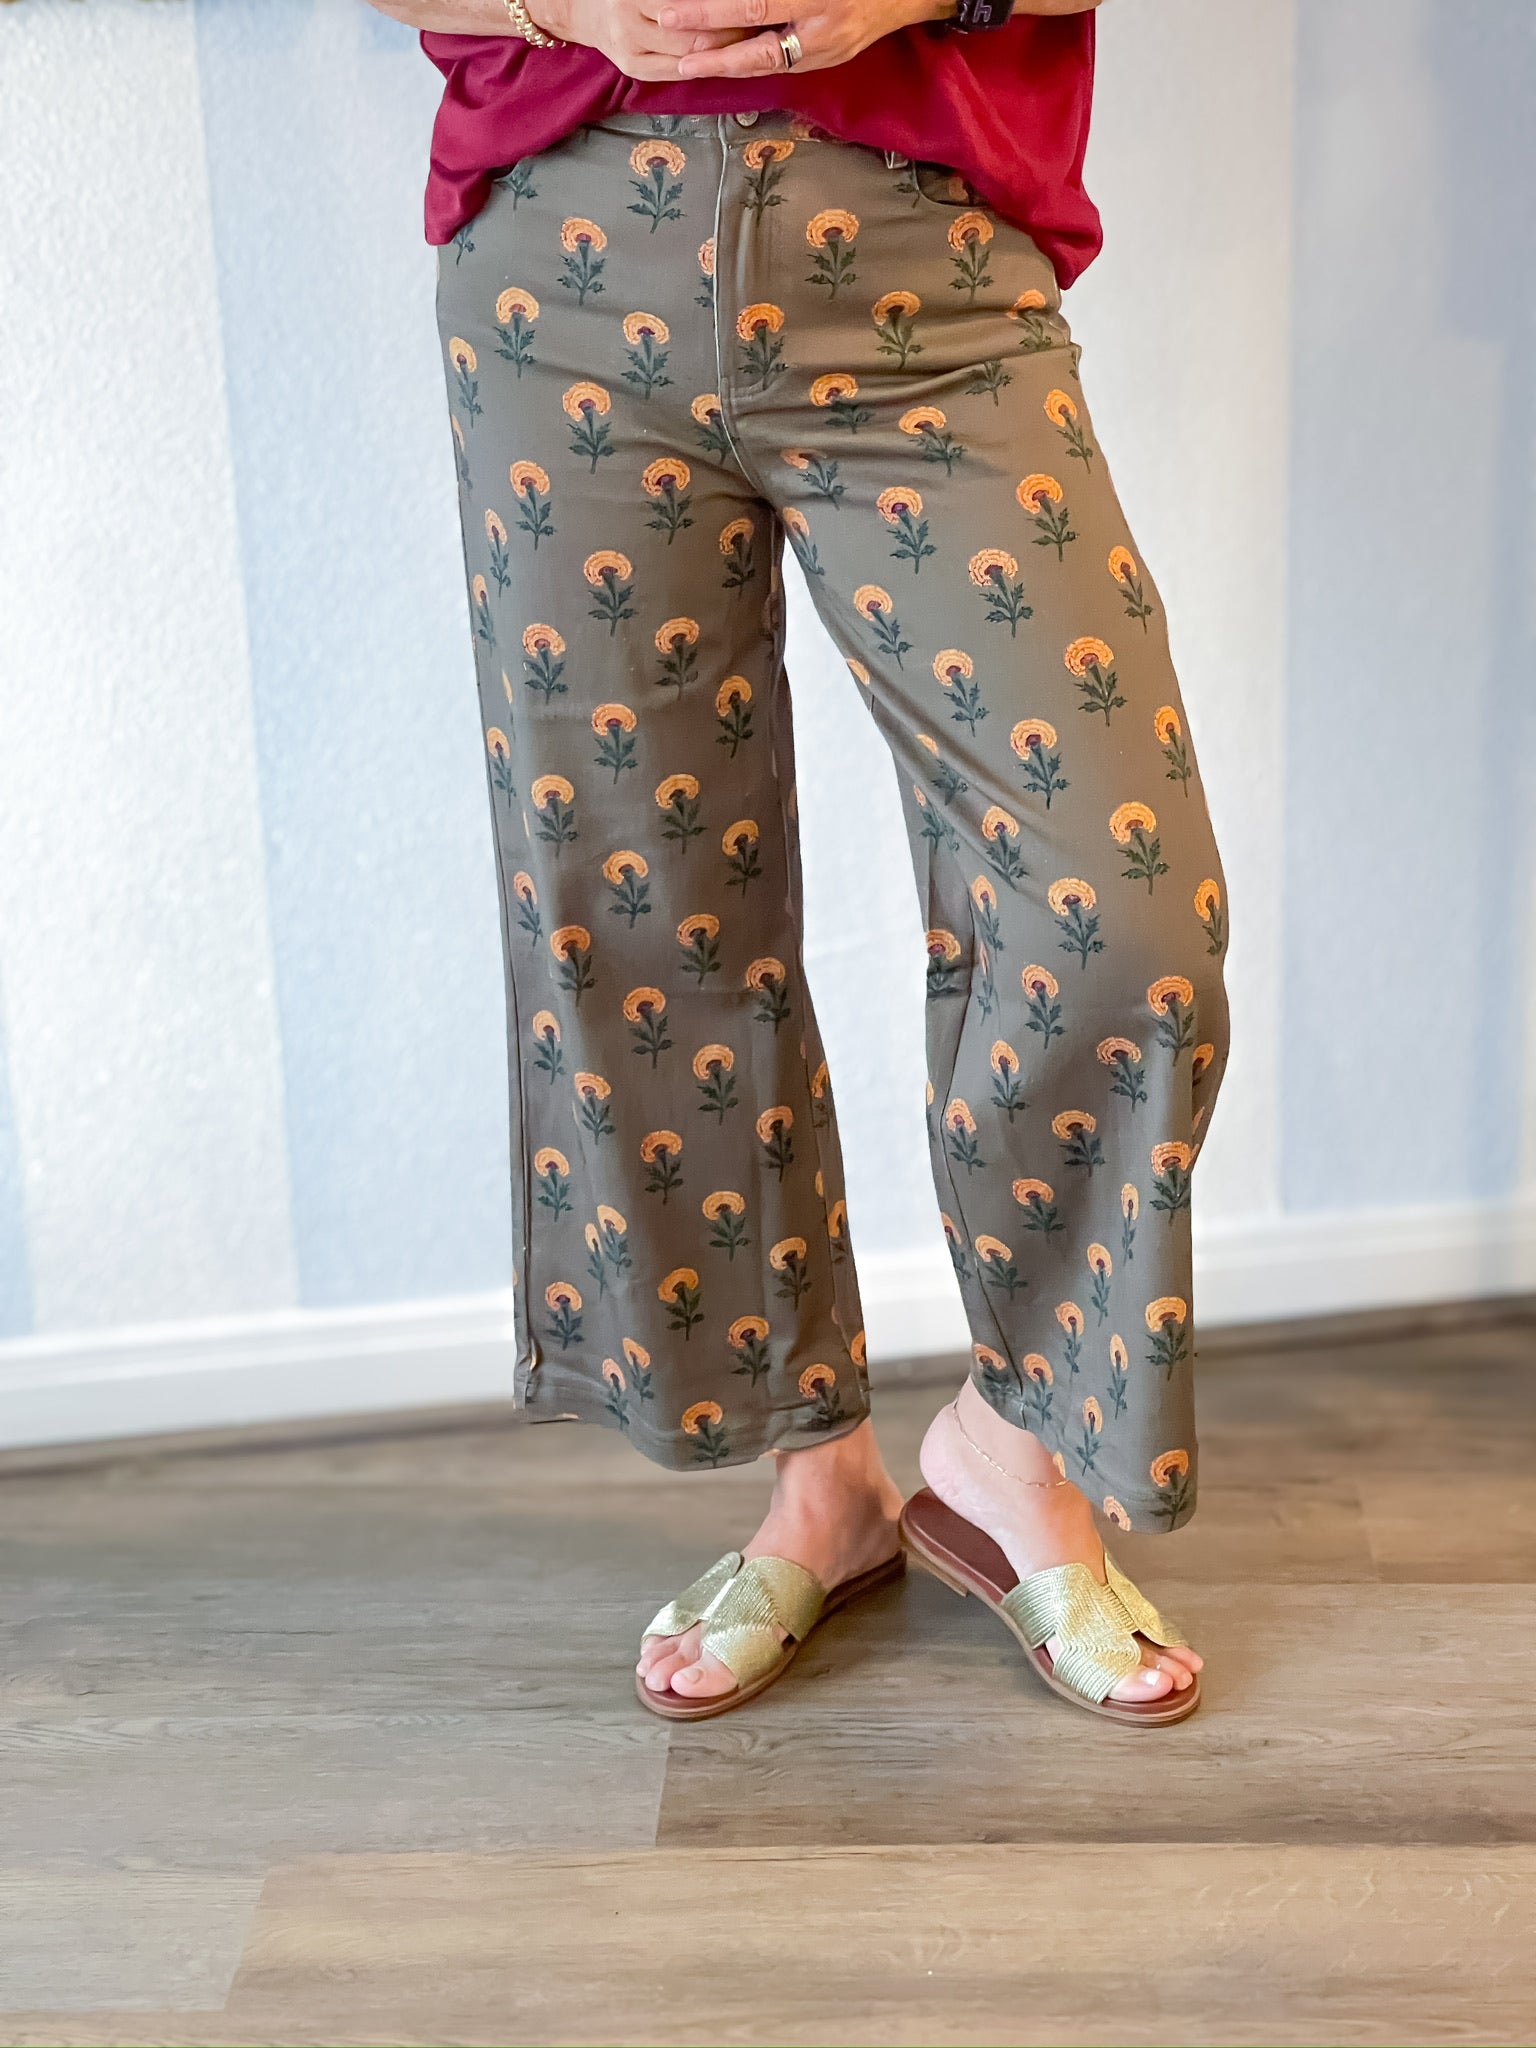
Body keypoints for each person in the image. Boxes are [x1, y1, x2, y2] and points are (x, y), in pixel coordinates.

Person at [368, 0, 1224, 1725]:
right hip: (562, 268)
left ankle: (1006, 1450)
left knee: (1122, 910)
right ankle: (815, 1475)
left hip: (923, 263)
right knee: (640, 906)